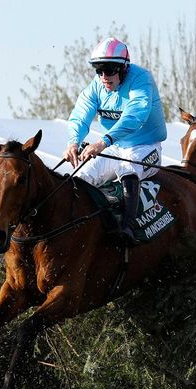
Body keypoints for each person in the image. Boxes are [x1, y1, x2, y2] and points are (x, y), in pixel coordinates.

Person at [63, 37, 168, 242]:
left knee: (127, 170)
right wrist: (73, 142)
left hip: (146, 148)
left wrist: (103, 142)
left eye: (110, 70)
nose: (104, 76)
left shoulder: (141, 79)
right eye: (99, 71)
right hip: (116, 147)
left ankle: (128, 229)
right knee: (79, 177)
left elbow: (135, 115)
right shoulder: (97, 85)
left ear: (124, 68)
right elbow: (80, 114)